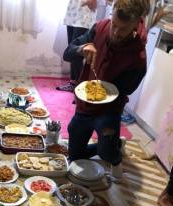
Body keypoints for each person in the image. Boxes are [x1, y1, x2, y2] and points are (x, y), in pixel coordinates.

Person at [64, 0, 151, 180]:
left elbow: (129, 88)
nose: (116, 33)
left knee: (107, 153)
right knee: (74, 155)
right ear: (111, 15)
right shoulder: (99, 28)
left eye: (123, 29)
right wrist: (82, 48)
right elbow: (68, 52)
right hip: (86, 103)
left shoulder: (138, 55)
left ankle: (114, 152)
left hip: (109, 108)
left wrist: (110, 84)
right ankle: (116, 143)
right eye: (115, 25)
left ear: (136, 24)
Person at [57, 0, 101, 92]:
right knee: (72, 50)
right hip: (72, 10)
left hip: (84, 12)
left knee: (78, 52)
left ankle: (82, 89)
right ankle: (73, 83)